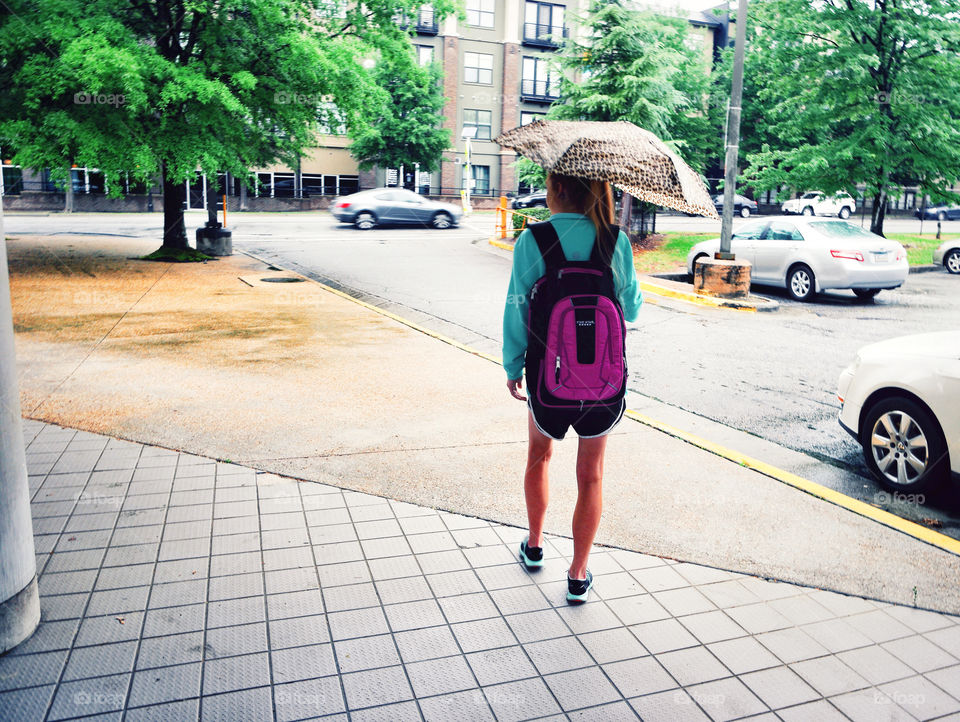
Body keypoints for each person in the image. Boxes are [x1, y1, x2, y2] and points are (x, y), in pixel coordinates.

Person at [502, 172, 642, 603]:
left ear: (559, 189)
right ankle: (579, 573)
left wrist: (512, 367)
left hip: (547, 379)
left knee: (538, 457)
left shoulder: (534, 239)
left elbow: (516, 310)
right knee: (591, 475)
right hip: (602, 384)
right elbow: (632, 309)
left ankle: (535, 544)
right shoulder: (615, 241)